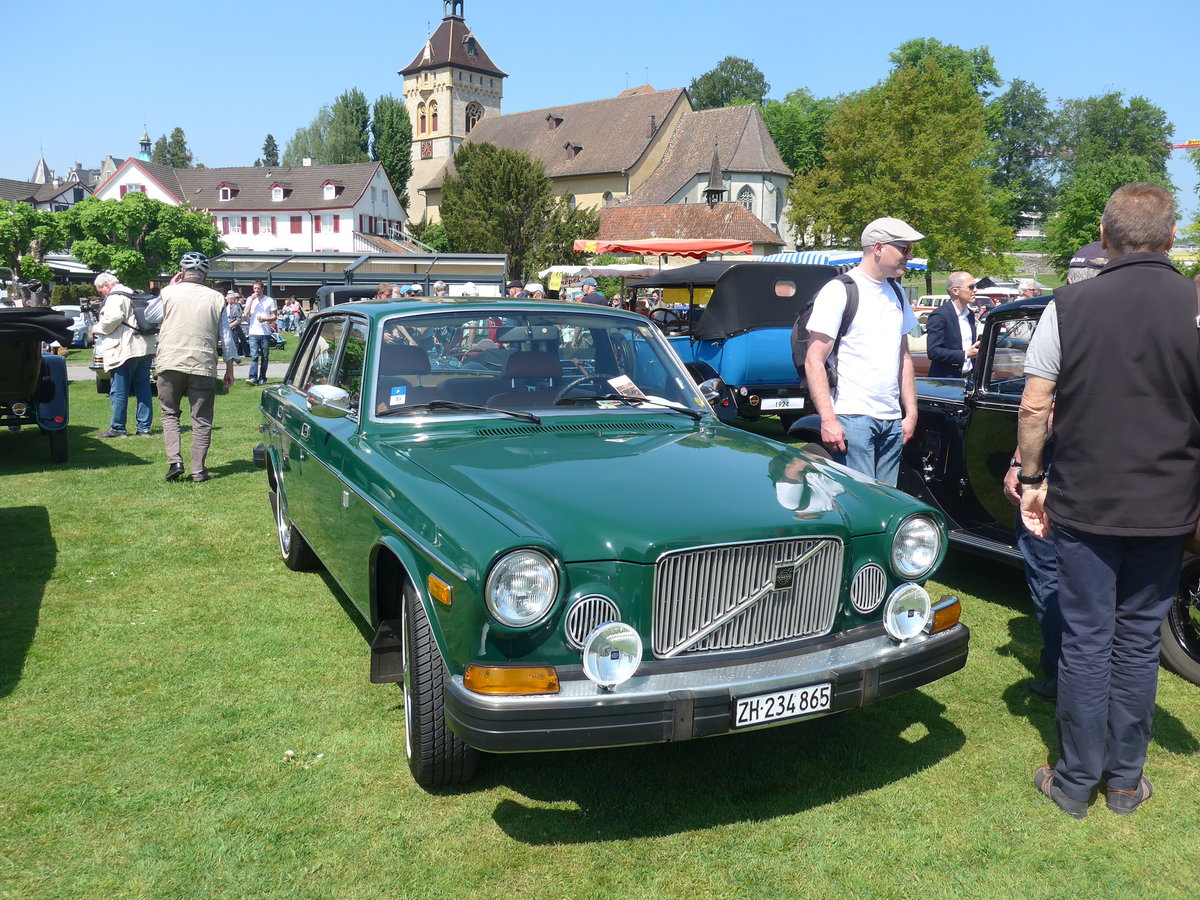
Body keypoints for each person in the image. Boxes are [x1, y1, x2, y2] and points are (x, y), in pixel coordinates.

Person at [1018, 183, 1200, 818]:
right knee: (1139, 638)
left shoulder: (1067, 305)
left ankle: (1074, 782)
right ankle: (1124, 782)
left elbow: (1035, 403)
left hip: (1086, 503)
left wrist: (1033, 477)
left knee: (1089, 638)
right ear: (1171, 237)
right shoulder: (1197, 303)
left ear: (1106, 235)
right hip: (1169, 505)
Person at [1003, 241, 1108, 701]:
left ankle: (1061, 673)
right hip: (1121, 479)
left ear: (1070, 280)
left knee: (1047, 568)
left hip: (1059, 475)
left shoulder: (1065, 318)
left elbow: (1038, 405)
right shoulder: (1142, 323)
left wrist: (1022, 469)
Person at [803, 216, 922, 486]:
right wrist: (828, 419)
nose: (909, 256)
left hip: (891, 419)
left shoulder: (897, 292)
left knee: (888, 503)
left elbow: (903, 357)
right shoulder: (839, 291)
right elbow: (814, 359)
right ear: (878, 248)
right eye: (904, 248)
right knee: (859, 505)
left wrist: (910, 412)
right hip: (852, 417)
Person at [147, 252, 239, 483]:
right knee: (202, 420)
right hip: (203, 363)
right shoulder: (216, 298)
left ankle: (175, 461)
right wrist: (229, 368)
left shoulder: (168, 293)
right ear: (205, 274)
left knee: (170, 414)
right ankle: (198, 470)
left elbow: (150, 316)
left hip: (170, 362)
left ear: (181, 271)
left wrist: (167, 288)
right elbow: (226, 337)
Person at [92, 272, 156, 437]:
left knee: (119, 389)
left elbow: (114, 317)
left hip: (125, 349)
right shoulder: (134, 294)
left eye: (101, 290)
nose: (102, 294)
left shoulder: (115, 297)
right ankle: (144, 428)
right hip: (145, 347)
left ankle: (118, 428)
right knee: (143, 389)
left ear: (107, 285)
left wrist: (97, 328)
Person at [925, 272, 979, 378]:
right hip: (946, 382)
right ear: (955, 291)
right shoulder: (939, 315)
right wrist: (965, 354)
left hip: (969, 378)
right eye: (971, 287)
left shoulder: (970, 315)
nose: (975, 290)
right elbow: (933, 351)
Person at [243, 280, 276, 385]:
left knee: (265, 357)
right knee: (254, 356)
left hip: (265, 332)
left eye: (258, 288)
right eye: (254, 288)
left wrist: (265, 319)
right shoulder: (250, 299)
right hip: (253, 332)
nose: (256, 290)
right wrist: (250, 301)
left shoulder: (269, 300)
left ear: (262, 289)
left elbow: (274, 316)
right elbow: (246, 313)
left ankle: (262, 378)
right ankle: (252, 377)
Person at [226, 291, 250, 357]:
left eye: (228, 299)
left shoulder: (235, 307)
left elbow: (239, 319)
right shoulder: (229, 307)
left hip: (235, 326)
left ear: (232, 299)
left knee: (236, 341)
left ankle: (237, 355)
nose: (227, 300)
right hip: (232, 326)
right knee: (240, 340)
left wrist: (232, 325)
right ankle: (245, 353)